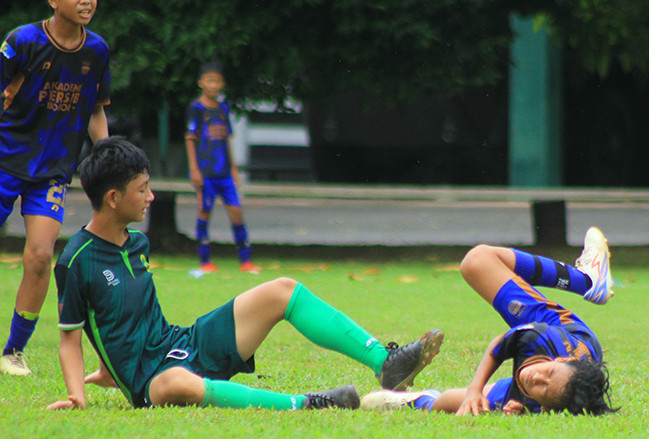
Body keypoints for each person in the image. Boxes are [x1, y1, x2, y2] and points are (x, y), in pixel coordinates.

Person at [47, 137, 443, 411]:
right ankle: (308, 404)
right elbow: (70, 338)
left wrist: (106, 371)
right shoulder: (76, 259)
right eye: (142, 189)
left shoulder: (136, 243)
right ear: (113, 199)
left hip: (183, 344)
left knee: (283, 290)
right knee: (178, 384)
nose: (151, 197)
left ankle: (384, 362)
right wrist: (79, 392)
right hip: (154, 380)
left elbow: (128, 323)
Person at [360, 230, 617, 416]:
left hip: (562, 386)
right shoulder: (537, 338)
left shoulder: (551, 398)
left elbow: (547, 397)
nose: (536, 376)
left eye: (543, 388)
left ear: (547, 407)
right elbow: (499, 346)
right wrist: (475, 388)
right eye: (547, 373)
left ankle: (412, 401)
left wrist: (520, 409)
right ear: (560, 361)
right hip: (559, 326)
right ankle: (586, 281)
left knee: (454, 403)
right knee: (477, 261)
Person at [0, 0, 111, 376]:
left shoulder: (96, 50)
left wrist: (108, 155)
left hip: (52, 172)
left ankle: (12, 351)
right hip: (4, 160)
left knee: (40, 256)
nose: (86, 1)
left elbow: (96, 109)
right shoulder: (22, 41)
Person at [184, 61, 260, 274]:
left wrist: (234, 168)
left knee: (236, 211)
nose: (213, 85)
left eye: (217, 81)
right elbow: (190, 139)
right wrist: (194, 169)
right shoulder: (196, 109)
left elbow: (226, 139)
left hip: (224, 172)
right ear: (201, 82)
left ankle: (246, 262)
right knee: (204, 211)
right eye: (209, 80)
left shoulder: (223, 109)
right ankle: (204, 261)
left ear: (222, 84)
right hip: (206, 172)